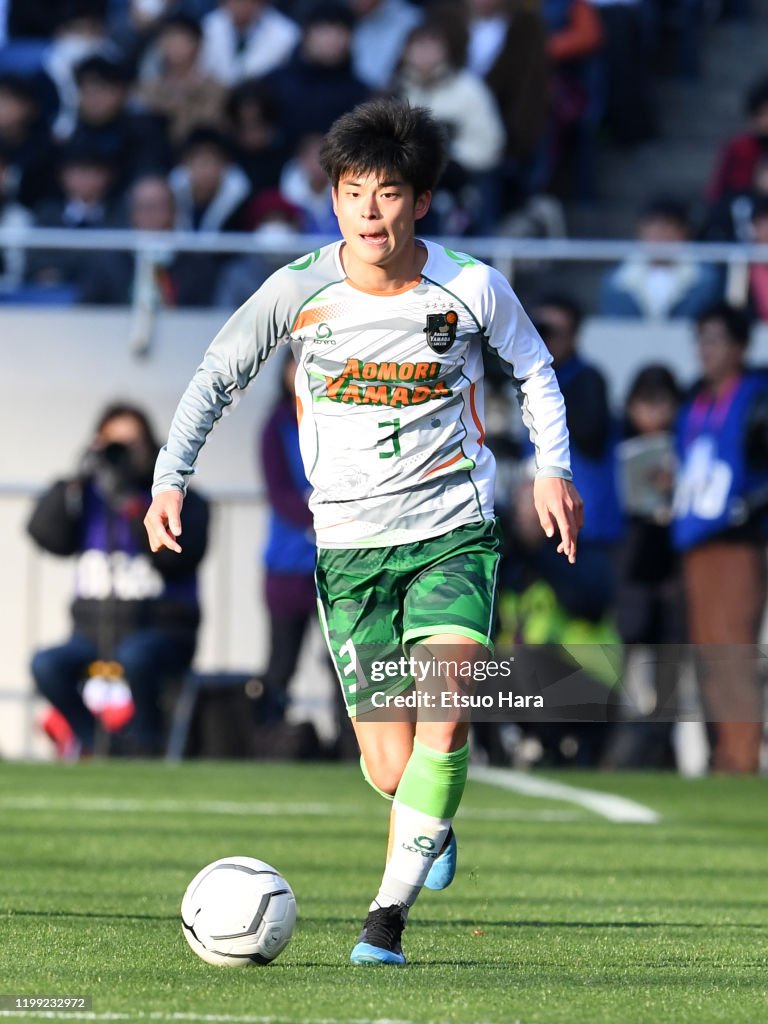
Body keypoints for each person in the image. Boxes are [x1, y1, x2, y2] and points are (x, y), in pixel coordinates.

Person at [144, 98, 581, 965]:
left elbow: (534, 367)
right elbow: (214, 378)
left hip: (453, 530)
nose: (371, 211)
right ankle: (428, 814)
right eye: (354, 193)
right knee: (391, 768)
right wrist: (169, 478)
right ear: (333, 201)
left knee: (446, 719)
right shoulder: (299, 290)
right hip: (348, 550)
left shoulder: (471, 287)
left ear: (420, 200)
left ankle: (385, 918)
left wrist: (552, 469)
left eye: (389, 192)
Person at [29, 403, 210, 757]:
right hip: (92, 635)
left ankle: (145, 744)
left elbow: (181, 559)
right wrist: (77, 478)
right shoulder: (87, 496)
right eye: (113, 444)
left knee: (136, 657)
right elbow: (45, 534)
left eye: (132, 444)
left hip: (162, 633)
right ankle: (95, 741)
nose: (122, 454)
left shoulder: (177, 500)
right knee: (46, 664)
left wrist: (132, 506)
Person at [672, 303, 768, 774]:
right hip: (694, 538)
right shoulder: (696, 398)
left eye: (715, 340)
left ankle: (741, 756)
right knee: (708, 655)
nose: (704, 350)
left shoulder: (756, 396)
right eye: (701, 339)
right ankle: (721, 753)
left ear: (739, 347)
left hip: (735, 540)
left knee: (732, 651)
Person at [599, 197, 723, 320]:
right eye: (653, 225)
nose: (660, 233)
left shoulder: (705, 279)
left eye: (668, 225)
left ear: (684, 231)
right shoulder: (616, 280)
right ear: (639, 231)